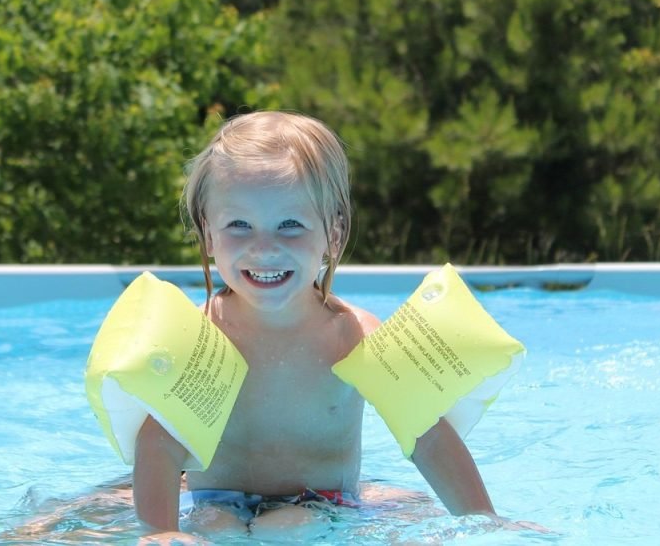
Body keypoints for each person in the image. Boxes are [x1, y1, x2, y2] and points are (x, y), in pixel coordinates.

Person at [132, 110, 501, 542]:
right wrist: (158, 533)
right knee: (215, 528)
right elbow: (159, 443)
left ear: (333, 234)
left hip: (324, 502)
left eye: (290, 225)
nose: (264, 247)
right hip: (215, 501)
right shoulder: (197, 337)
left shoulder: (353, 337)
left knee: (287, 528)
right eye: (239, 225)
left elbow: (428, 436)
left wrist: (484, 522)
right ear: (208, 234)